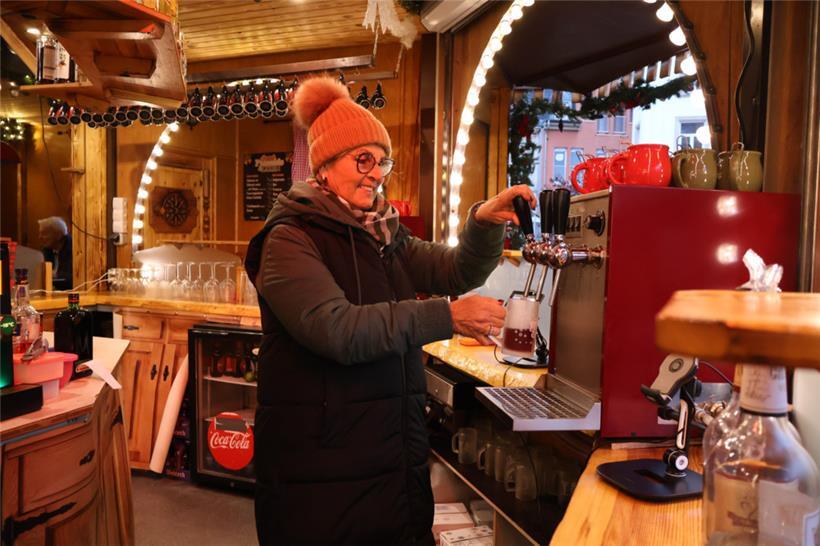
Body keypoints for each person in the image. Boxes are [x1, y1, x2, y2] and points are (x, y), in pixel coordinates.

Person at [245, 76, 536, 545]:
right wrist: (447, 315)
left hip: (386, 455)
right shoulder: (289, 239)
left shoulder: (383, 234)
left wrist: (482, 222)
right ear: (324, 165)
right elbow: (337, 330)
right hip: (320, 467)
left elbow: (454, 271)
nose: (376, 173)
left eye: (383, 162)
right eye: (363, 159)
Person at [38, 216, 72, 290]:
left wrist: (52, 275)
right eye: (40, 234)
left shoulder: (74, 250)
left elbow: (69, 279)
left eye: (44, 234)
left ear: (58, 235)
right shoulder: (47, 249)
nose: (39, 237)